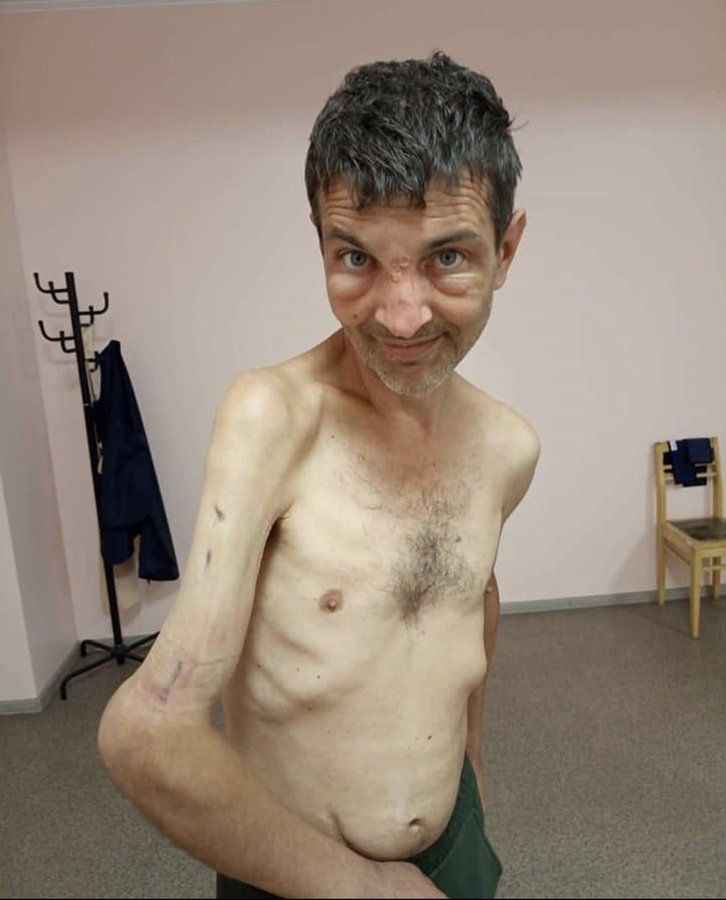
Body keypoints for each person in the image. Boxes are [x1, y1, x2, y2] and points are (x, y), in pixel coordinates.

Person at [97, 50, 540, 900]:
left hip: (454, 845)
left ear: (507, 248)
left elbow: (472, 598)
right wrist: (368, 889)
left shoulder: (509, 447)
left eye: (448, 257)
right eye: (357, 259)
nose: (401, 316)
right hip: (297, 873)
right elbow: (146, 733)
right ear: (322, 245)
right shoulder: (272, 419)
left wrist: (473, 770)